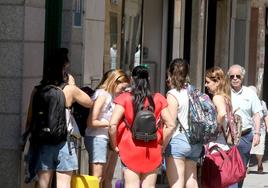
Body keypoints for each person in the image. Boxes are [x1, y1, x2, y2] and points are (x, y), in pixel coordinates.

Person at [23, 48, 94, 188]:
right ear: (62, 69)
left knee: (43, 183)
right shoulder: (69, 90)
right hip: (65, 141)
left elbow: (30, 118)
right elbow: (89, 102)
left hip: (42, 141)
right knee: (63, 184)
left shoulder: (37, 90)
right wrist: (72, 84)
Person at [108, 65, 175, 188]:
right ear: (148, 79)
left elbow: (112, 125)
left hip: (129, 148)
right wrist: (162, 145)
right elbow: (171, 125)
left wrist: (114, 146)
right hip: (153, 149)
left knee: (131, 185)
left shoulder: (124, 98)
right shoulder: (158, 98)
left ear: (132, 79)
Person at [85, 69, 130, 188]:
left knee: (108, 177)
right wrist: (110, 123)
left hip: (111, 138)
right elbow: (91, 121)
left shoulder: (114, 96)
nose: (123, 91)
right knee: (97, 177)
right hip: (98, 137)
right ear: (114, 82)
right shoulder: (102, 95)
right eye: (122, 88)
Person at [165, 58, 203, 188]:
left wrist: (161, 146)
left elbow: (170, 124)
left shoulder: (172, 94)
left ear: (170, 73)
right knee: (191, 181)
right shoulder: (194, 91)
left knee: (177, 183)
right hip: (195, 141)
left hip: (179, 139)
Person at [227, 64, 262, 187]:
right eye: (232, 76)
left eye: (238, 76)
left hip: (245, 137)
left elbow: (257, 113)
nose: (235, 78)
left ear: (242, 77)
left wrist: (257, 133)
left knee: (241, 170)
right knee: (230, 170)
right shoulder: (224, 93)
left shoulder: (250, 93)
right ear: (229, 78)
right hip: (228, 138)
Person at [249, 85, 268, 174]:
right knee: (247, 149)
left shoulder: (262, 103)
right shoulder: (245, 102)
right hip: (247, 129)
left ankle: (259, 163)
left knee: (259, 150)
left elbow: (266, 115)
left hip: (260, 130)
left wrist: (267, 126)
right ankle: (246, 166)